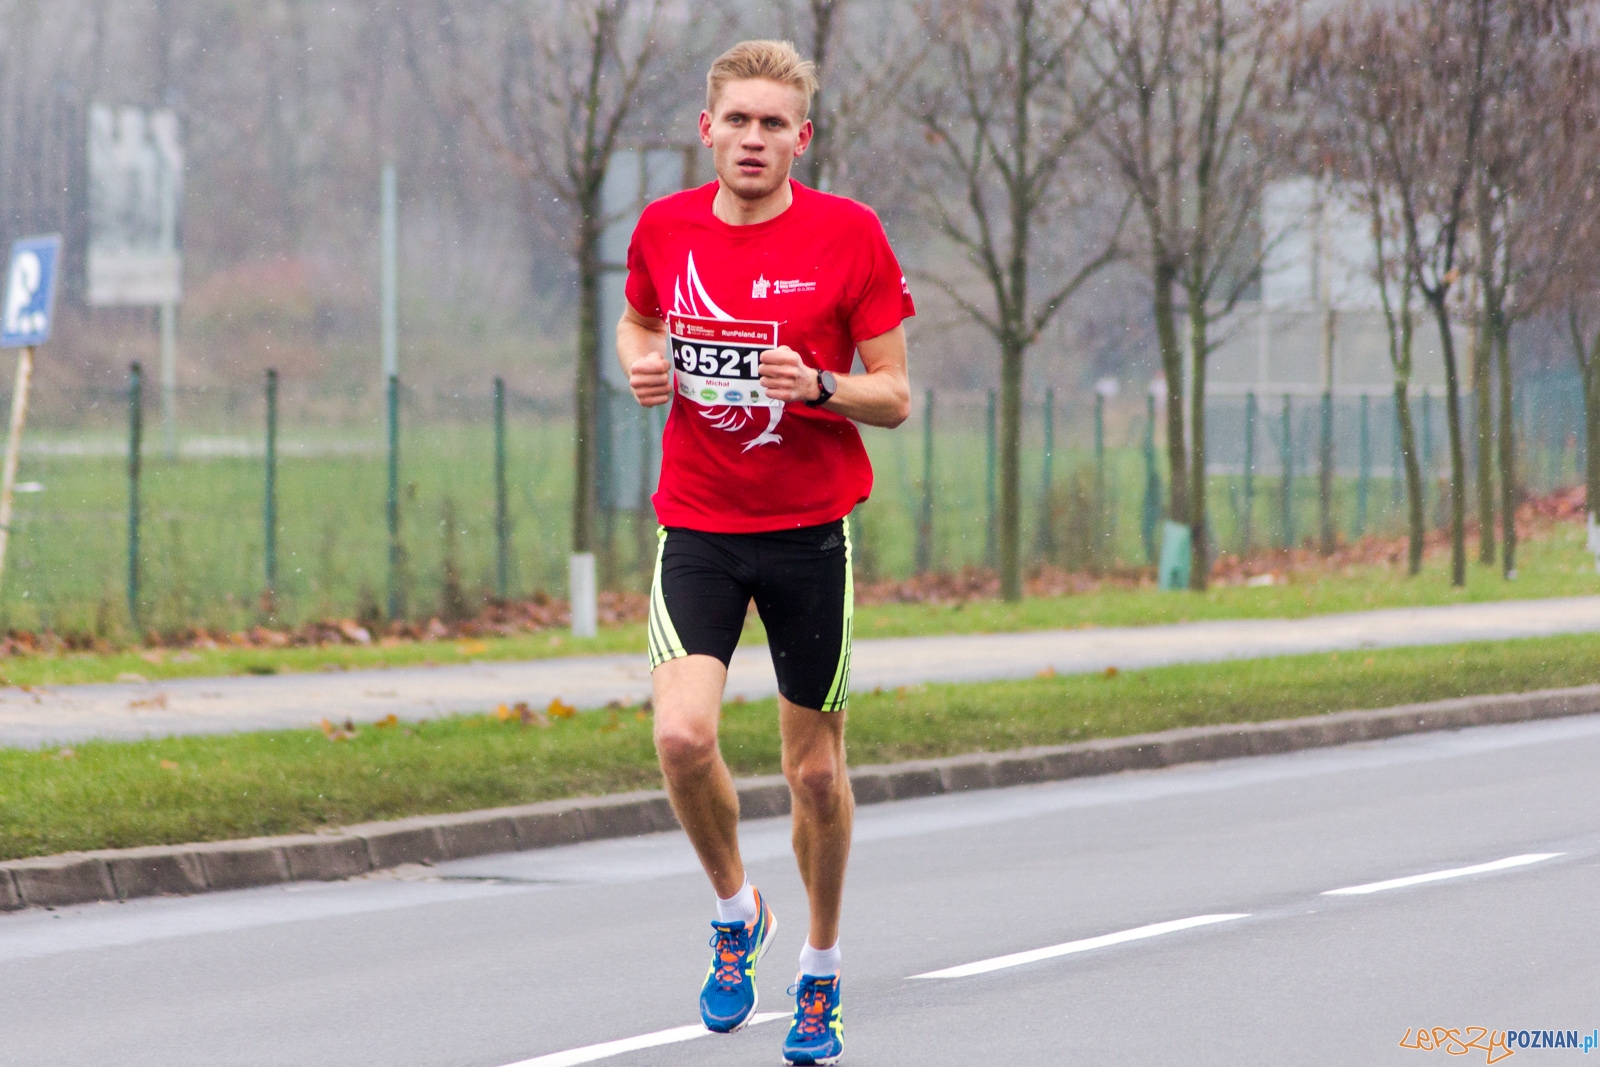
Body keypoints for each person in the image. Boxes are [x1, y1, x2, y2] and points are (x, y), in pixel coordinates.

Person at [615, 38, 914, 1067]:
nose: (752, 138)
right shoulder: (663, 228)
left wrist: (820, 386)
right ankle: (737, 910)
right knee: (682, 740)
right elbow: (635, 317)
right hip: (696, 522)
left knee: (815, 773)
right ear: (707, 129)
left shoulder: (849, 237)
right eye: (736, 120)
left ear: (801, 137)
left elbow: (898, 396)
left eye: (772, 124)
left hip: (804, 536)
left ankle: (820, 972)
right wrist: (642, 365)